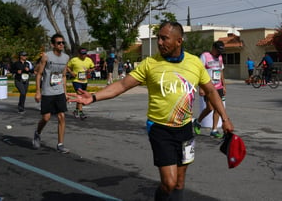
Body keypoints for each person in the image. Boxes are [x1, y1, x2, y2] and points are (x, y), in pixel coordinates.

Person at [68, 21, 234, 200]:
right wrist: (93, 97)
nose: (160, 43)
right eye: (158, 38)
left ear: (179, 41)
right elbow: (123, 84)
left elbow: (210, 91)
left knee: (179, 182)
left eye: (164, 38)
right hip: (160, 128)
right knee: (169, 183)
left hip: (186, 128)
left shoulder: (194, 63)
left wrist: (225, 118)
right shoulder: (150, 64)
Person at [32, 33, 70, 153]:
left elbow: (63, 76)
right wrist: (38, 92)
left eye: (63, 42)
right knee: (46, 118)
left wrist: (65, 92)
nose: (61, 45)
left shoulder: (65, 58)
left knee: (61, 116)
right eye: (59, 43)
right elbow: (39, 74)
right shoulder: (46, 56)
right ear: (53, 44)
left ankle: (60, 144)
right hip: (47, 92)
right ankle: (37, 133)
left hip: (59, 91)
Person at [193, 41, 226, 138]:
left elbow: (221, 72)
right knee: (210, 108)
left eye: (221, 51)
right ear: (213, 48)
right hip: (208, 87)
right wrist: (201, 87)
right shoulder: (205, 56)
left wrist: (224, 86)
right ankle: (197, 121)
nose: (219, 53)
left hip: (218, 86)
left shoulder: (220, 57)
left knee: (218, 108)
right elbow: (199, 71)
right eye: (218, 50)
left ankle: (214, 130)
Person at [67, 47, 95, 120]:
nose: (83, 55)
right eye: (82, 54)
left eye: (85, 54)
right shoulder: (74, 60)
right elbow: (67, 67)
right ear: (78, 54)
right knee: (80, 96)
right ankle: (81, 112)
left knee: (81, 96)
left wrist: (90, 70)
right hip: (76, 81)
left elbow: (93, 67)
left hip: (84, 81)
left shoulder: (89, 60)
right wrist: (71, 72)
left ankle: (76, 110)